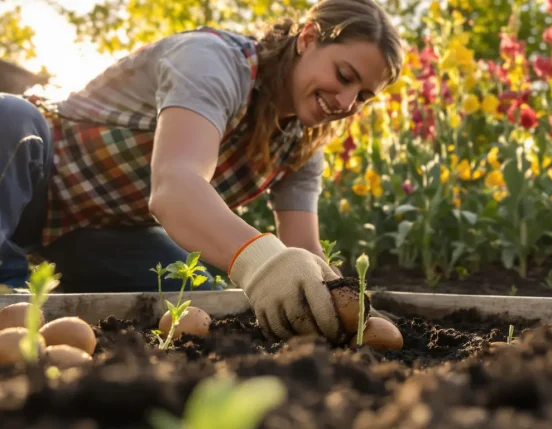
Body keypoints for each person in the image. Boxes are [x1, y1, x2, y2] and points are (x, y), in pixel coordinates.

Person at [0, 0, 403, 344]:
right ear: (308, 37)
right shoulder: (213, 62)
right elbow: (175, 187)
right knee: (10, 117)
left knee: (196, 297)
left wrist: (350, 310)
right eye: (344, 76)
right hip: (31, 177)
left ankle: (51, 296)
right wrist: (262, 261)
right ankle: (8, 293)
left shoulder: (300, 144)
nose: (347, 101)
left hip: (96, 232)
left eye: (363, 96)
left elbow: (305, 251)